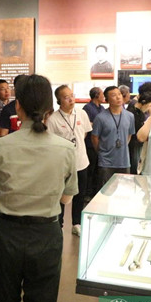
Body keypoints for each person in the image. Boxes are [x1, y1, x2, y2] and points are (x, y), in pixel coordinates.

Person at [0, 74, 78, 302]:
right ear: (50, 109)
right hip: (46, 236)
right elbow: (66, 198)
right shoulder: (65, 149)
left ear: (18, 107)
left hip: (6, 235)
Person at [46, 85, 92, 236]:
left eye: (72, 95)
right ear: (59, 100)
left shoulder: (82, 113)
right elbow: (50, 142)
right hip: (62, 165)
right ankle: (58, 225)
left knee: (80, 195)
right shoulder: (53, 119)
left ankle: (76, 223)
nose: (71, 99)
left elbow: (84, 134)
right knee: (61, 196)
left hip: (81, 161)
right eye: (66, 97)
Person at [91, 86, 135, 189]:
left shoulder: (130, 116)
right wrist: (102, 152)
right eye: (114, 95)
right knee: (106, 191)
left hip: (124, 161)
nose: (118, 97)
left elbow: (129, 134)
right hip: (106, 162)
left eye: (119, 94)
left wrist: (123, 145)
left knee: (124, 191)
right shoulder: (100, 117)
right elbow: (94, 138)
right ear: (107, 100)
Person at [82, 87, 105, 199]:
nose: (103, 96)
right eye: (102, 94)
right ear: (96, 95)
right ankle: (87, 193)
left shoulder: (102, 108)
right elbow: (86, 124)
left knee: (98, 169)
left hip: (101, 142)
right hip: (90, 143)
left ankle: (95, 192)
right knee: (90, 169)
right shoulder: (87, 108)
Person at [127, 91, 151, 175]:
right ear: (144, 103)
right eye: (149, 106)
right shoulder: (132, 112)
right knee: (135, 167)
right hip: (134, 143)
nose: (149, 108)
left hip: (138, 143)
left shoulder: (140, 112)